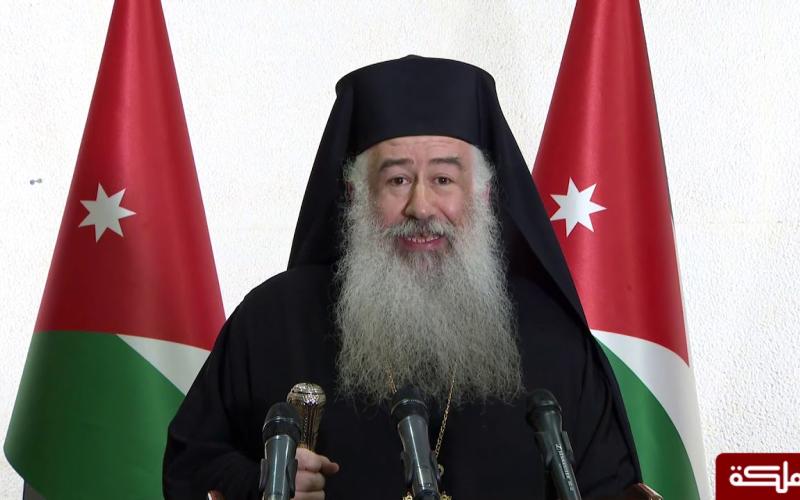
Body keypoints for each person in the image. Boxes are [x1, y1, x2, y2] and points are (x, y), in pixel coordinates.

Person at [163, 56, 641, 499]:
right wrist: (261, 485)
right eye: (397, 181)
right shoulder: (271, 322)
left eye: (443, 180)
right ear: (355, 194)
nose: (421, 207)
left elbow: (612, 487)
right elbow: (189, 466)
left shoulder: (554, 339)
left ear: (483, 193)